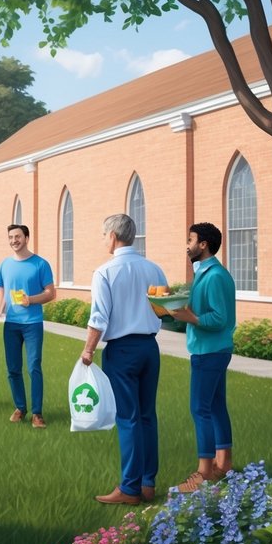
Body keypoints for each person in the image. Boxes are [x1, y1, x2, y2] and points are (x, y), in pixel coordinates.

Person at [81, 213, 166, 505]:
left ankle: (129, 488)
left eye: (104, 235)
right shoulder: (154, 269)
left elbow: (99, 317)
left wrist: (88, 349)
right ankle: (147, 484)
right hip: (149, 349)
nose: (104, 240)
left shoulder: (104, 272)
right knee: (146, 416)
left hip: (122, 351)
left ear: (114, 236)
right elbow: (163, 309)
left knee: (128, 418)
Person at [166, 222, 236, 493]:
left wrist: (190, 317)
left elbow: (219, 318)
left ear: (203, 244)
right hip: (211, 350)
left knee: (200, 409)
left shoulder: (215, 275)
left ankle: (204, 473)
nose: (187, 244)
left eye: (190, 239)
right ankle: (224, 465)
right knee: (216, 406)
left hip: (210, 351)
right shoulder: (205, 273)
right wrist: (176, 311)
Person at [0, 225, 56, 428]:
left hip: (32, 324)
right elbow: (1, 290)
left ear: (26, 238)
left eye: (17, 236)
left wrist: (31, 300)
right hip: (11, 324)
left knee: (34, 367)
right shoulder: (5, 265)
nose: (13, 240)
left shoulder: (40, 264)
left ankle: (37, 413)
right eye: (10, 237)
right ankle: (20, 407)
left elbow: (50, 293)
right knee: (13, 369)